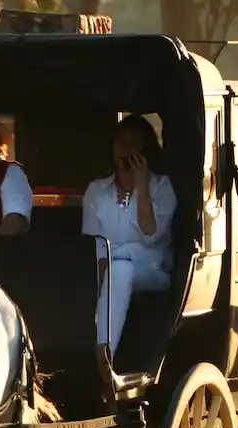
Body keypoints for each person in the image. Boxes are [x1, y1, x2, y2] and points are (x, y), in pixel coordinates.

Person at [81, 114, 177, 358]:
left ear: (145, 148)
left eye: (133, 142)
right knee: (112, 272)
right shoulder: (97, 191)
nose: (125, 148)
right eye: (120, 142)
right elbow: (92, 240)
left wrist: (142, 184)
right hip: (105, 266)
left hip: (151, 269)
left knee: (120, 270)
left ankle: (105, 354)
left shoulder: (161, 187)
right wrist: (102, 264)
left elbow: (149, 234)